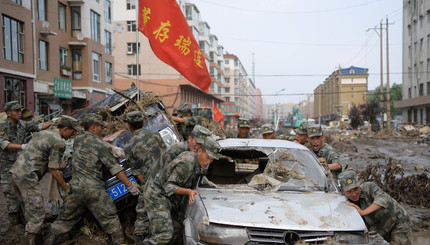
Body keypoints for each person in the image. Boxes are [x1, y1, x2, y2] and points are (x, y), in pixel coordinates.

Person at [45, 114, 140, 245]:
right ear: (94, 127)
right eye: (101, 127)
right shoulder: (100, 145)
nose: (103, 130)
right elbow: (115, 168)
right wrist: (130, 185)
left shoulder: (78, 140)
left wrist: (111, 147)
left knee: (63, 221)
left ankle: (47, 241)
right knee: (112, 223)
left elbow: (93, 141)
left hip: (76, 190)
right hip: (94, 191)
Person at [9, 115, 80, 244]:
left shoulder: (43, 133)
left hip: (15, 173)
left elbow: (39, 158)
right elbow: (54, 171)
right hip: (27, 177)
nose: (72, 135)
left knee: (29, 210)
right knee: (37, 213)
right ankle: (29, 240)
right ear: (65, 129)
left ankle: (35, 237)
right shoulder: (58, 142)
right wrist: (66, 187)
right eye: (72, 131)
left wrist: (58, 165)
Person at [142, 137, 221, 244]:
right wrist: (189, 192)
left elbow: (199, 177)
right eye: (207, 157)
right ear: (199, 151)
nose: (208, 162)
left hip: (167, 197)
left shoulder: (198, 163)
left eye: (211, 160)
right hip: (156, 195)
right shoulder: (187, 163)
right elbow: (169, 186)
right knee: (164, 234)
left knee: (176, 228)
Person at [0, 101, 52, 228]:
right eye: (16, 111)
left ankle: (24, 219)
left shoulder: (22, 124)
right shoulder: (2, 126)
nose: (19, 113)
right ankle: (14, 223)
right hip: (7, 164)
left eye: (20, 111)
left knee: (23, 190)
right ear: (8, 113)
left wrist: (53, 121)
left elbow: (38, 127)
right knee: (10, 192)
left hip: (21, 164)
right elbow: (4, 144)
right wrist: (23, 146)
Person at [122, 111, 166, 241]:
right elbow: (165, 155)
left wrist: (147, 186)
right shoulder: (155, 135)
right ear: (143, 123)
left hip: (149, 184)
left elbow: (138, 174)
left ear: (129, 126)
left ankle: (140, 240)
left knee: (142, 215)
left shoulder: (128, 146)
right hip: (165, 179)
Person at [338, 171, 412, 245]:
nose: (354, 194)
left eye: (356, 189)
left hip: (399, 222)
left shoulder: (369, 187)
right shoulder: (344, 201)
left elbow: (383, 200)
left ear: (359, 185)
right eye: (349, 191)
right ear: (342, 190)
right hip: (384, 230)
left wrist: (362, 212)